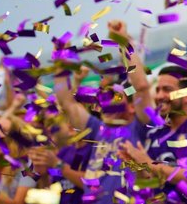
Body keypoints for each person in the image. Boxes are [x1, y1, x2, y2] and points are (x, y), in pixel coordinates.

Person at [53, 20, 153, 204]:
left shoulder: (140, 128)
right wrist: (60, 62)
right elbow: (67, 102)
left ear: (132, 106)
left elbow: (141, 87)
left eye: (115, 97)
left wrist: (123, 42)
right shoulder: (98, 130)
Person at [118, 65, 187, 203]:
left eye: (167, 89)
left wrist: (148, 163)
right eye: (158, 89)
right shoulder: (155, 133)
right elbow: (149, 183)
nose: (159, 96)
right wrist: (138, 166)